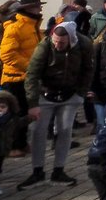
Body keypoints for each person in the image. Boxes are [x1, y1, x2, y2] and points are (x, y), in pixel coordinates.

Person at [18, 21, 95, 189]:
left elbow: (89, 69)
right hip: (46, 93)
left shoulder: (84, 44)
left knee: (65, 130)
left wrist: (81, 92)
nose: (58, 45)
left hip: (70, 93)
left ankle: (58, 170)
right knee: (38, 130)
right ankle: (37, 171)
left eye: (62, 42)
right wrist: (33, 103)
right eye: (55, 42)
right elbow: (32, 74)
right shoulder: (44, 46)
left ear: (70, 39)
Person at [0, 0, 44, 152]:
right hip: (14, 78)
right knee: (16, 113)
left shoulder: (33, 26)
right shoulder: (15, 26)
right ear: (28, 9)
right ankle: (13, 146)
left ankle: (21, 143)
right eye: (37, 6)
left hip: (27, 77)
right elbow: (7, 54)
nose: (40, 9)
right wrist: (31, 67)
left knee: (25, 111)